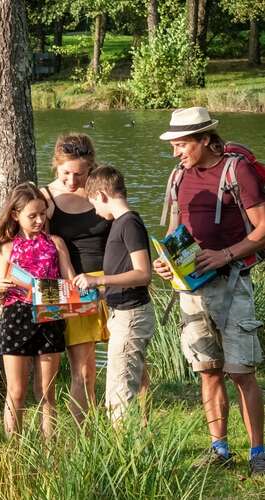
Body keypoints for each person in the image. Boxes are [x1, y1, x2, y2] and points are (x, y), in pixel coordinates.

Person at [154, 106, 265, 474]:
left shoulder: (238, 171)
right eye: (174, 144)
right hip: (191, 289)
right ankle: (219, 449)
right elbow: (174, 231)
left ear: (205, 139)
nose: (176, 152)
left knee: (241, 372)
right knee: (208, 369)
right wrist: (166, 260)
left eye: (182, 144)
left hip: (233, 284)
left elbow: (262, 228)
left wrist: (224, 255)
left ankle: (258, 453)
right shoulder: (178, 175)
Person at [0, 182, 75, 438]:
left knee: (46, 392)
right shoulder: (7, 248)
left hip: (49, 315)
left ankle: (50, 451)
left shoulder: (56, 243)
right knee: (16, 391)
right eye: (32, 216)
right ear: (16, 215)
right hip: (17, 317)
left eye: (43, 213)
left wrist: (72, 293)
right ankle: (12, 449)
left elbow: (70, 282)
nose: (39, 220)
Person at [73, 165, 155, 425]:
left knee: (120, 394)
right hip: (120, 312)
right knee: (118, 389)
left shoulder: (128, 223)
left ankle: (127, 458)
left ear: (103, 195)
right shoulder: (120, 224)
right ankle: (133, 450)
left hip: (131, 316)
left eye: (93, 202)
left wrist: (99, 279)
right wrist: (101, 290)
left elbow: (143, 273)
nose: (95, 210)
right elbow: (125, 271)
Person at [41, 133, 112, 424]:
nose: (72, 180)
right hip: (70, 288)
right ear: (56, 166)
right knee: (84, 371)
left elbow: (124, 230)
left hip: (111, 282)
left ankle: (139, 433)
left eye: (80, 174)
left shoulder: (102, 189)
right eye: (66, 173)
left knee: (134, 365)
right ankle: (86, 441)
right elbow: (39, 247)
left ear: (91, 168)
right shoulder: (45, 197)